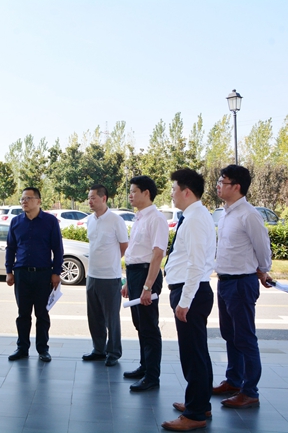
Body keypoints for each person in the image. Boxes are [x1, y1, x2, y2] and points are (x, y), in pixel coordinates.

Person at [212, 164, 272, 409]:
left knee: (245, 338)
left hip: (241, 283)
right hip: (225, 282)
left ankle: (250, 391)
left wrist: (263, 269)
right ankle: (234, 380)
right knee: (230, 335)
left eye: (222, 182)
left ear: (236, 186)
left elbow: (262, 246)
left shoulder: (249, 214)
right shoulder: (226, 213)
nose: (218, 186)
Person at [161, 169, 216, 431]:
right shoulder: (196, 215)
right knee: (198, 352)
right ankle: (200, 403)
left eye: (174, 189)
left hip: (190, 292)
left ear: (186, 191)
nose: (171, 194)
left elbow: (196, 264)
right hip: (191, 290)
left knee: (193, 355)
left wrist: (184, 301)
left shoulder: (194, 219)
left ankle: (195, 414)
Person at [5, 187, 64, 363]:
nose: (24, 202)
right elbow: (11, 248)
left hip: (43, 274)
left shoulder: (50, 221)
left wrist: (56, 272)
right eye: (22, 199)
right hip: (21, 274)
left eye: (28, 198)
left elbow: (58, 249)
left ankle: (43, 349)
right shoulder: (16, 222)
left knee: (42, 314)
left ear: (38, 201)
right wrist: (9, 271)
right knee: (23, 314)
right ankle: (22, 348)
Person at [121, 175, 168, 391]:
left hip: (146, 275)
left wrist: (147, 287)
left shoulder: (156, 218)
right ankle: (144, 366)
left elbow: (157, 254)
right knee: (139, 324)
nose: (130, 195)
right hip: (135, 275)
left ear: (146, 193)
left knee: (149, 327)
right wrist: (128, 283)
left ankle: (152, 376)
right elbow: (135, 252)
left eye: (134, 191)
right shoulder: (139, 217)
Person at [82, 184, 128, 367]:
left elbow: (124, 247)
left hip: (110, 277)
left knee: (111, 319)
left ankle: (114, 352)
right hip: (92, 275)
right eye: (89, 198)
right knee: (94, 317)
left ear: (104, 198)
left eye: (93, 198)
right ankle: (99, 349)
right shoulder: (90, 220)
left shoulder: (116, 220)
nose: (90, 201)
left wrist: (112, 261)